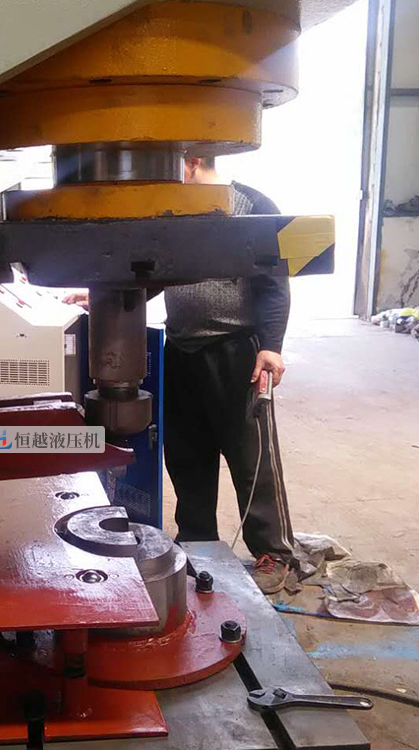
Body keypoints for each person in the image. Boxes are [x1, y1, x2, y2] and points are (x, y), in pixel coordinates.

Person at [64, 157, 295, 594]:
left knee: (251, 455)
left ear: (190, 161)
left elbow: (274, 282)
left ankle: (275, 552)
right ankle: (197, 540)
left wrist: (272, 345)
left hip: (236, 350)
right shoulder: (175, 209)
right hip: (182, 349)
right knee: (186, 455)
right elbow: (159, 275)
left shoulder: (250, 206)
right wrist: (108, 299)